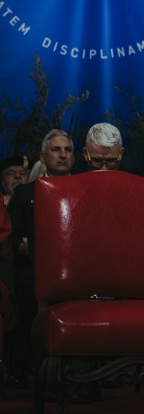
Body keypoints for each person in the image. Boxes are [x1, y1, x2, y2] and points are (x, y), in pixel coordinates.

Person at [6, 130, 74, 390]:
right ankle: (21, 366)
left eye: (67, 150)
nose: (63, 154)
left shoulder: (87, 189)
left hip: (79, 269)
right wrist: (23, 249)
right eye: (56, 150)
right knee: (25, 287)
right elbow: (10, 235)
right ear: (43, 157)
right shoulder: (25, 194)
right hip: (35, 266)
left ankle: (86, 370)